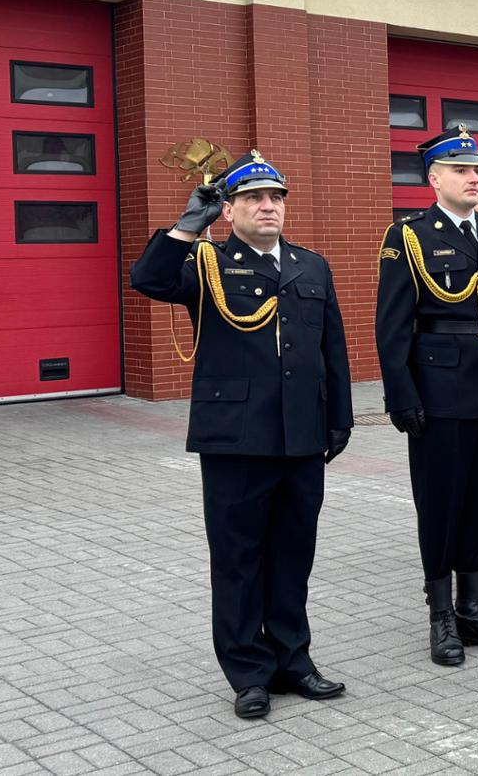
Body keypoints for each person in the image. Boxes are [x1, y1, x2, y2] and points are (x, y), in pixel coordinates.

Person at [130, 151, 351, 719]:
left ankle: (293, 661)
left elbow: (333, 350)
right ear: (228, 209)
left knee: (293, 555)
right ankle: (248, 672)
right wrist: (187, 226)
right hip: (236, 437)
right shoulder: (205, 260)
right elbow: (148, 280)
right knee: (237, 559)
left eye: (276, 197)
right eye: (253, 198)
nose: (268, 206)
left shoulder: (311, 265)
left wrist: (340, 417)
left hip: (301, 436)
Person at [375, 126, 478, 668]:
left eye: (477, 170)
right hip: (440, 390)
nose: (473, 177)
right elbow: (392, 325)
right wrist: (401, 394)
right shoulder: (409, 235)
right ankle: (440, 615)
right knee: (441, 504)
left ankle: (473, 605)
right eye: (461, 170)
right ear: (434, 178)